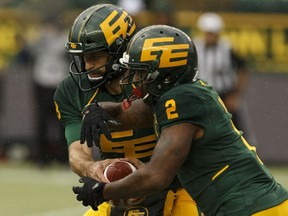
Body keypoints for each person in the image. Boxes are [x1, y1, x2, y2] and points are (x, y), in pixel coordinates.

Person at [72, 25, 288, 216]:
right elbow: (132, 113)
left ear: (164, 74)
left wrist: (102, 191)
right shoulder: (186, 94)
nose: (133, 79)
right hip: (254, 205)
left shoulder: (180, 100)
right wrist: (100, 109)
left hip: (250, 207)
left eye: (140, 72)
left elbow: (156, 176)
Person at [54, 4, 200, 216]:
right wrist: (92, 168)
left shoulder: (157, 79)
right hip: (117, 193)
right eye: (84, 57)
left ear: (121, 50)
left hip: (176, 187)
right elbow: (77, 150)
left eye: (95, 55)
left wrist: (144, 180)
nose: (87, 65)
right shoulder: (71, 90)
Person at [193, 12, 248, 130]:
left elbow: (242, 70)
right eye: (208, 33)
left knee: (235, 130)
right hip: (202, 95)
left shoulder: (227, 48)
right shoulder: (196, 46)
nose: (210, 37)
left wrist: (235, 94)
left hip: (224, 95)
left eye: (212, 33)